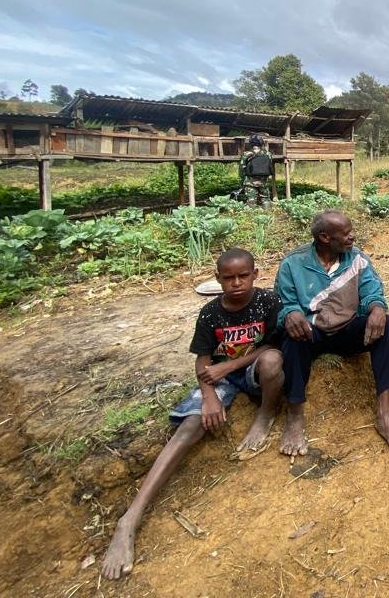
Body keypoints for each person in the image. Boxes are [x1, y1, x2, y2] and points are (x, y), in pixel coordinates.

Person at [101, 248, 284, 580]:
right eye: (228, 278)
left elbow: (273, 346)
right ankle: (130, 518)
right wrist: (210, 397)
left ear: (256, 274)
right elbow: (202, 360)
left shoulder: (269, 302)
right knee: (190, 426)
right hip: (219, 378)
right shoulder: (211, 313)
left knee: (273, 364)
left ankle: (265, 416)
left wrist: (229, 364)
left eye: (243, 276)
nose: (237, 283)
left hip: (251, 369)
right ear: (218, 280)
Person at [274, 210, 389, 456]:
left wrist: (377, 308)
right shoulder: (293, 264)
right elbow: (285, 302)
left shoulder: (357, 258)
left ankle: (384, 414)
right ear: (325, 237)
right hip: (311, 333)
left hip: (347, 330)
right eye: (346, 233)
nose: (352, 237)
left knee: (386, 324)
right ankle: (295, 416)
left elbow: (372, 291)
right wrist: (291, 313)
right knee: (291, 338)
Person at [239, 135, 275, 207]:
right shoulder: (268, 154)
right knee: (265, 199)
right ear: (261, 143)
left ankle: (252, 216)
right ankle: (267, 214)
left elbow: (242, 169)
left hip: (250, 182)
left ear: (251, 143)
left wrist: (241, 181)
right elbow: (270, 166)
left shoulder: (246, 154)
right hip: (264, 182)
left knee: (251, 200)